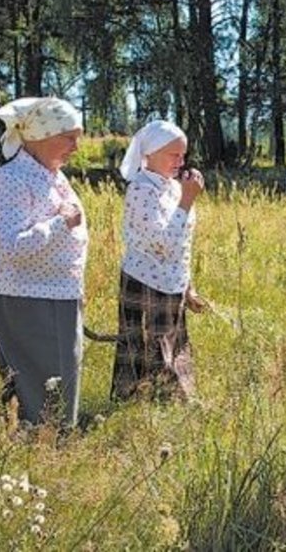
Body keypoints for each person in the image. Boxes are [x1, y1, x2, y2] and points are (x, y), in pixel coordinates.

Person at [0, 97, 87, 428]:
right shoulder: (12, 179)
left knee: (60, 374)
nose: (76, 146)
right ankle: (41, 448)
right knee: (39, 380)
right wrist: (60, 224)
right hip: (26, 297)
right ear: (41, 135)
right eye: (69, 137)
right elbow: (12, 245)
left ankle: (51, 446)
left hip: (56, 294)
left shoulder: (54, 176)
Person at [110, 120, 206, 402]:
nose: (181, 161)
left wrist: (188, 286)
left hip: (172, 284)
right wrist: (187, 201)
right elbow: (162, 243)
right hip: (146, 282)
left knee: (173, 346)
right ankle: (140, 406)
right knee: (145, 350)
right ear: (149, 154)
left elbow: (181, 243)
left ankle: (172, 404)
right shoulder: (141, 189)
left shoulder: (174, 188)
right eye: (173, 155)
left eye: (183, 155)